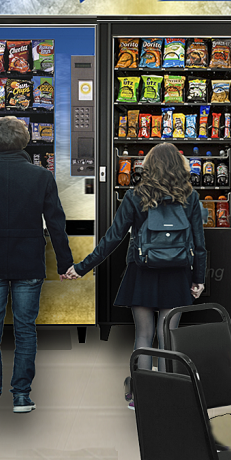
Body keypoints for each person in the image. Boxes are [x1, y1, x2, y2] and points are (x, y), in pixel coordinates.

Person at [64, 143, 206, 409]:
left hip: (142, 271)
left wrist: (82, 267)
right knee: (168, 336)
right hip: (177, 274)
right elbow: (199, 244)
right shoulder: (191, 197)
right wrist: (198, 279)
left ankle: (142, 394)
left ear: (149, 167)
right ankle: (169, 393)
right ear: (179, 166)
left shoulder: (135, 195)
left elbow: (113, 238)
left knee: (143, 335)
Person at [0, 116, 74, 414]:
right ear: (25, 141)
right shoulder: (41, 177)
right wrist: (64, 262)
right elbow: (56, 224)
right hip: (29, 261)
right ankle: (22, 396)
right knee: (25, 329)